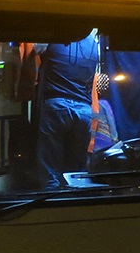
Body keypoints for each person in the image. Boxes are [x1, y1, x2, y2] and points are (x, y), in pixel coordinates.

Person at [36, 29, 100, 189]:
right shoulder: (93, 44)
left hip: (56, 106)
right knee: (76, 172)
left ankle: (52, 205)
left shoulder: (53, 37)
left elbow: (34, 55)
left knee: (49, 169)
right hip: (84, 110)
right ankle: (73, 203)